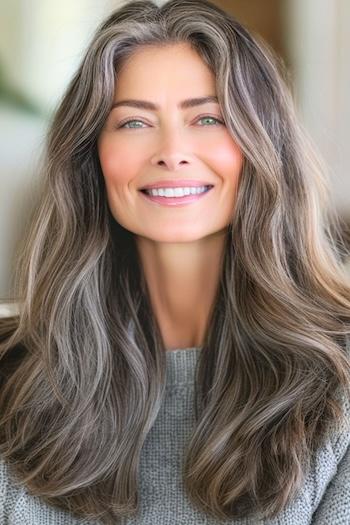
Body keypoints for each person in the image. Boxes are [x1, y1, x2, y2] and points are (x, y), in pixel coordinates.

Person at [0, 0, 350, 523]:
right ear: (90, 155)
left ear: (264, 142)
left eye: (207, 117)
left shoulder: (338, 380)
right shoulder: (15, 376)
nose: (172, 151)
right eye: (134, 122)